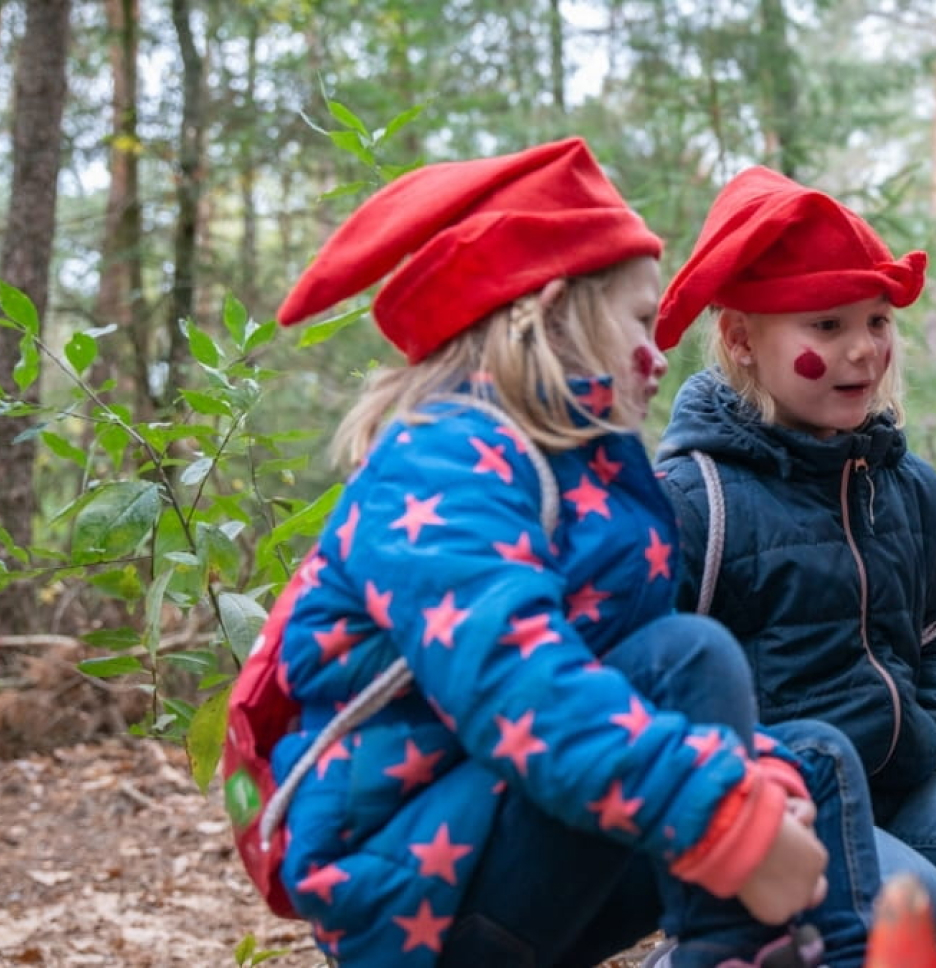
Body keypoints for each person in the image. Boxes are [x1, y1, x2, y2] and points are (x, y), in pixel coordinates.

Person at [221, 139, 882, 968]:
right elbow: (520, 686)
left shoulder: (576, 471)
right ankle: (730, 951)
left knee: (810, 762)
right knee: (686, 657)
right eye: (642, 321)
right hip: (415, 900)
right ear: (554, 314)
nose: (661, 350)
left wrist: (755, 790)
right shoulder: (443, 462)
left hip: (501, 842)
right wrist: (726, 815)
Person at [651, 166, 936, 929]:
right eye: (827, 326)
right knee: (915, 900)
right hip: (778, 803)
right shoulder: (695, 498)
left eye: (876, 322)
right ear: (742, 338)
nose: (861, 350)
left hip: (896, 784)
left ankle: (870, 857)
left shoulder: (907, 486)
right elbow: (656, 675)